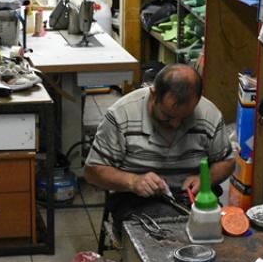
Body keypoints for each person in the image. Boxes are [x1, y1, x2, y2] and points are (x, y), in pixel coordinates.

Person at [83, 63, 234, 223]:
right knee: (171, 228)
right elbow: (92, 172)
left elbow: (227, 161)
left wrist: (206, 179)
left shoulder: (208, 114)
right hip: (136, 200)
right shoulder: (121, 115)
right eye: (168, 117)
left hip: (192, 198)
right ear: (153, 94)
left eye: (185, 117)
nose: (175, 124)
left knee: (218, 228)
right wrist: (133, 181)